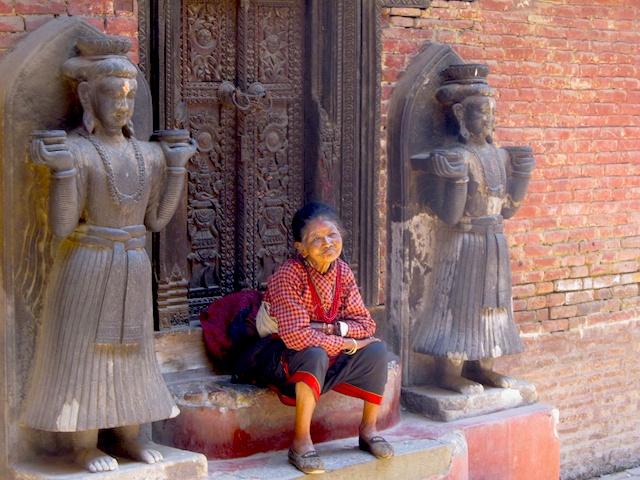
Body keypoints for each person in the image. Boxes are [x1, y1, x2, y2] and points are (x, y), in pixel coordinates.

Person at [21, 35, 196, 473]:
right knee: (85, 355)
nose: (122, 105)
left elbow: (156, 220)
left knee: (132, 355)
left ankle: (129, 437)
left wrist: (175, 166)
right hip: (88, 263)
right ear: (87, 96)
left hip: (133, 264)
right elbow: (62, 226)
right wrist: (63, 173)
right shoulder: (78, 152)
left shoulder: (147, 155)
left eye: (129, 96)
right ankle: (82, 446)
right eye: (112, 95)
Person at [239, 202, 393, 474]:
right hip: (277, 356)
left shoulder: (342, 272)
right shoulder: (288, 274)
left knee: (377, 351)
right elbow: (297, 337)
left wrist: (334, 330)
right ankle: (300, 443)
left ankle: (368, 430)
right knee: (313, 353)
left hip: (320, 347)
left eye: (332, 235)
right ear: (300, 247)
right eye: (316, 239)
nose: (327, 243)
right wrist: (347, 343)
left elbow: (365, 324)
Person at [411, 63, 535, 394]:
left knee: (493, 307)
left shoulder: (500, 157)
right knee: (459, 305)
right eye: (481, 113)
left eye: (492, 113)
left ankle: (483, 367)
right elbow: (450, 216)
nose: (489, 120)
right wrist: (457, 179)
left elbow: (508, 209)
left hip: (495, 240)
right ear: (462, 117)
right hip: (464, 241)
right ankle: (448, 372)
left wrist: (521, 177)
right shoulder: (459, 156)